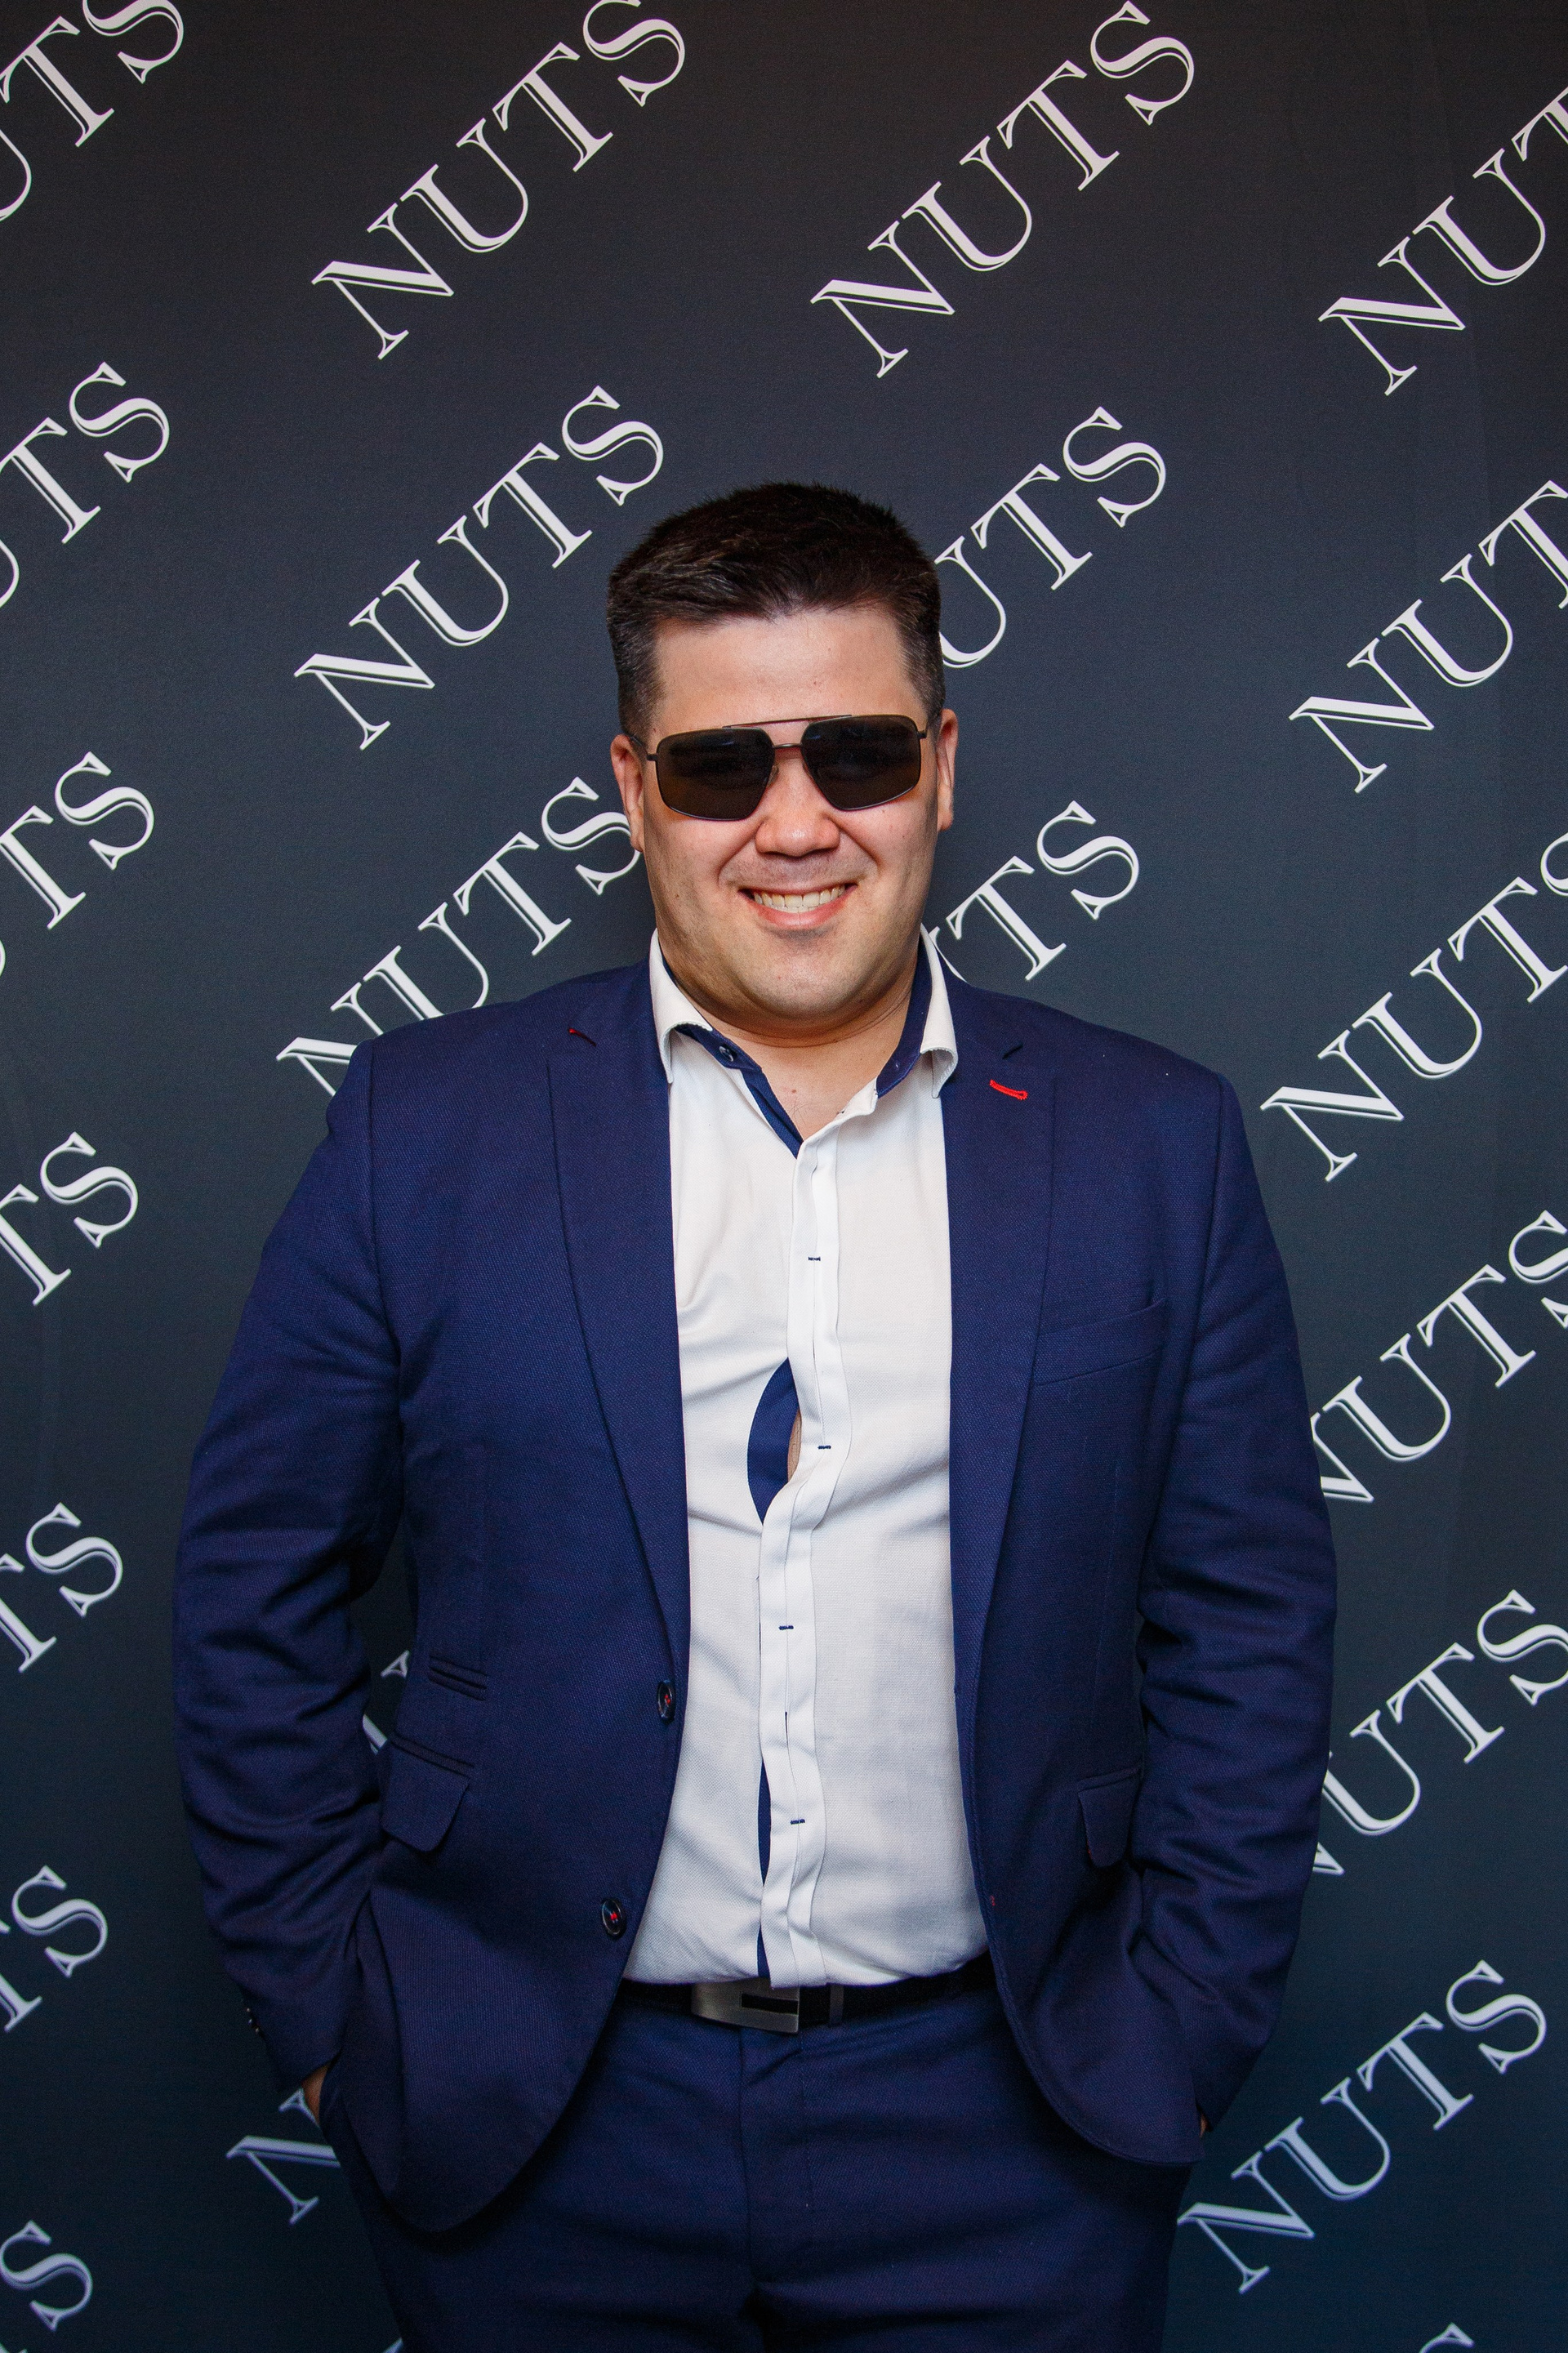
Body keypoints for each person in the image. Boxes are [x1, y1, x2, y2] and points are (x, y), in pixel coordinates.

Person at [174, 482, 1335, 2351]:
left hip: (1016, 2131)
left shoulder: (1157, 1146)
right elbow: (254, 1587)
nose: (796, 824)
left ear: (939, 767)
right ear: (635, 790)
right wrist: (337, 2022)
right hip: (534, 2126)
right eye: (725, 769)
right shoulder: (422, 1129)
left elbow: (1249, 1619)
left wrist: (1178, 2027)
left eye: (855, 754)